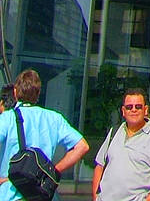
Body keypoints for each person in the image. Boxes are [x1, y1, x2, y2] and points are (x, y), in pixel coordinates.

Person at [0, 68, 89, 201]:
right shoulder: (54, 118)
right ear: (38, 93)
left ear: (15, 92)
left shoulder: (8, 118)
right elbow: (82, 146)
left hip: (10, 193)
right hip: (41, 193)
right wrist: (53, 171)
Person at [92, 88, 150, 201]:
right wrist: (96, 196)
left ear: (145, 110)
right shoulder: (114, 132)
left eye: (138, 106)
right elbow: (100, 165)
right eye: (129, 107)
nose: (133, 110)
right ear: (123, 111)